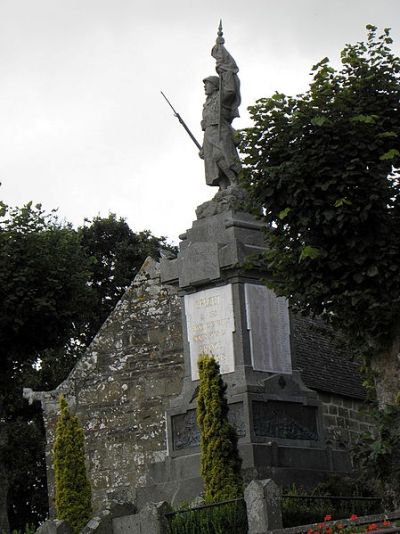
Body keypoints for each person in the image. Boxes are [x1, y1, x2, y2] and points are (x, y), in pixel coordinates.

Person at [200, 30, 242, 190]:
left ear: (216, 86)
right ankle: (223, 188)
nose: (205, 86)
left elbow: (230, 90)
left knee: (221, 156)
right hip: (209, 133)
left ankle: (234, 182)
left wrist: (222, 66)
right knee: (211, 160)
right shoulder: (207, 103)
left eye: (208, 83)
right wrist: (203, 147)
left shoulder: (221, 96)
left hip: (220, 130)